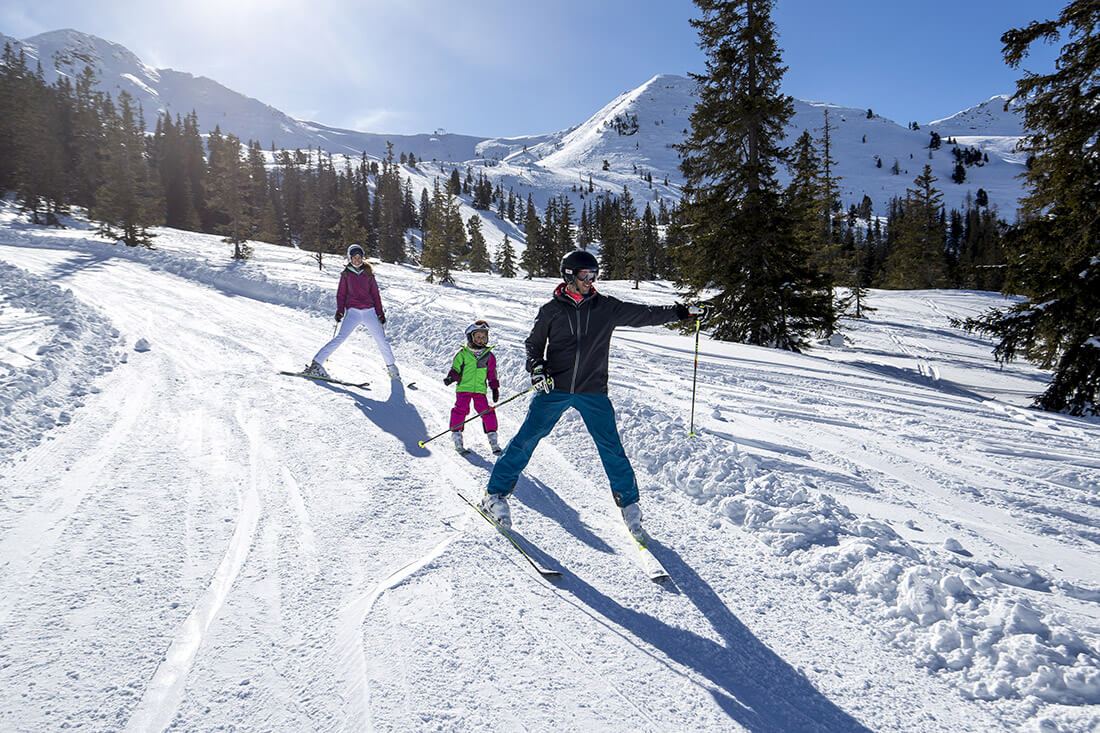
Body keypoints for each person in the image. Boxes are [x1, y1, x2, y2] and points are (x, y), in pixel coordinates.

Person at [479, 249, 702, 539]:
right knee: (525, 441)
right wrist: (536, 368)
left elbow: (644, 314)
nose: (591, 280)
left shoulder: (605, 307)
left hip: (592, 390)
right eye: (585, 275)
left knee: (611, 448)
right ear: (569, 276)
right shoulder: (551, 310)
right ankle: (494, 495)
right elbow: (533, 345)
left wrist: (681, 312)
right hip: (555, 388)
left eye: (594, 274)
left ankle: (630, 505)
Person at [305, 244, 400, 381]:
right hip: (353, 312)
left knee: (381, 340)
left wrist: (380, 313)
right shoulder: (346, 274)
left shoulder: (368, 274)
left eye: (359, 257)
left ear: (362, 258)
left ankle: (392, 368)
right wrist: (340, 311)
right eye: (354, 257)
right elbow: (341, 294)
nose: (357, 260)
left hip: (369, 311)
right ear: (350, 258)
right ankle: (316, 364)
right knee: (340, 338)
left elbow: (375, 294)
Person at [444, 320, 502, 456]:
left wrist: (494, 388)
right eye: (478, 337)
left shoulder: (489, 356)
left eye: (484, 337)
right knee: (460, 410)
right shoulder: (463, 354)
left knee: (487, 412)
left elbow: (492, 373)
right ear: (471, 337)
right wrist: (451, 377)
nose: (481, 340)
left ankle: (493, 440)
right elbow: (456, 368)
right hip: (463, 388)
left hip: (480, 391)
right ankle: (457, 437)